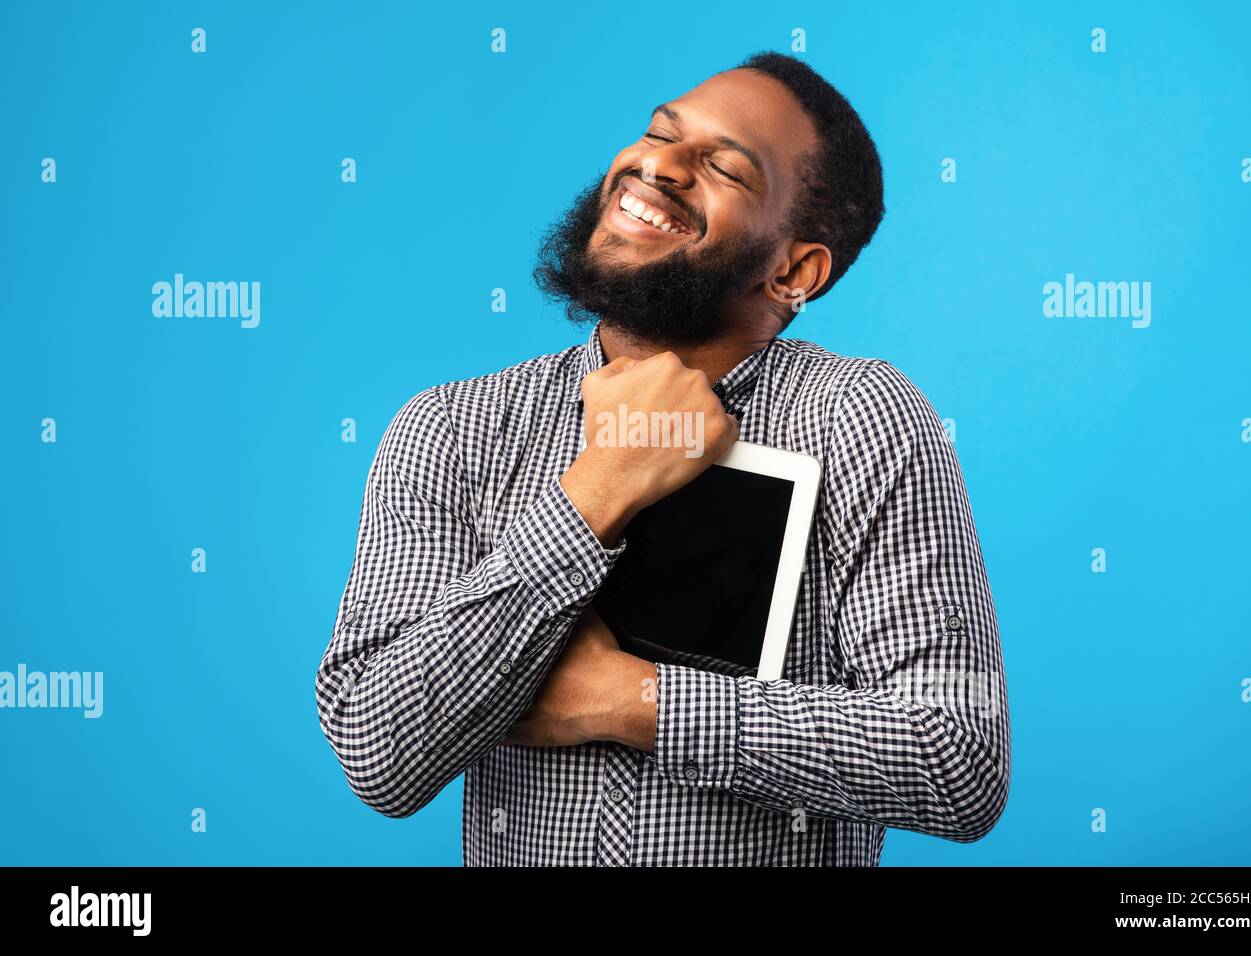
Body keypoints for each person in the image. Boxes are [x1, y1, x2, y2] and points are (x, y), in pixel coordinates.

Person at [315, 51, 1010, 866]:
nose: (659, 166)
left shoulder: (861, 420)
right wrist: (600, 485)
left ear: (794, 270)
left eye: (723, 167)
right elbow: (376, 749)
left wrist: (635, 703)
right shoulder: (455, 429)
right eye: (659, 134)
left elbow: (957, 759)